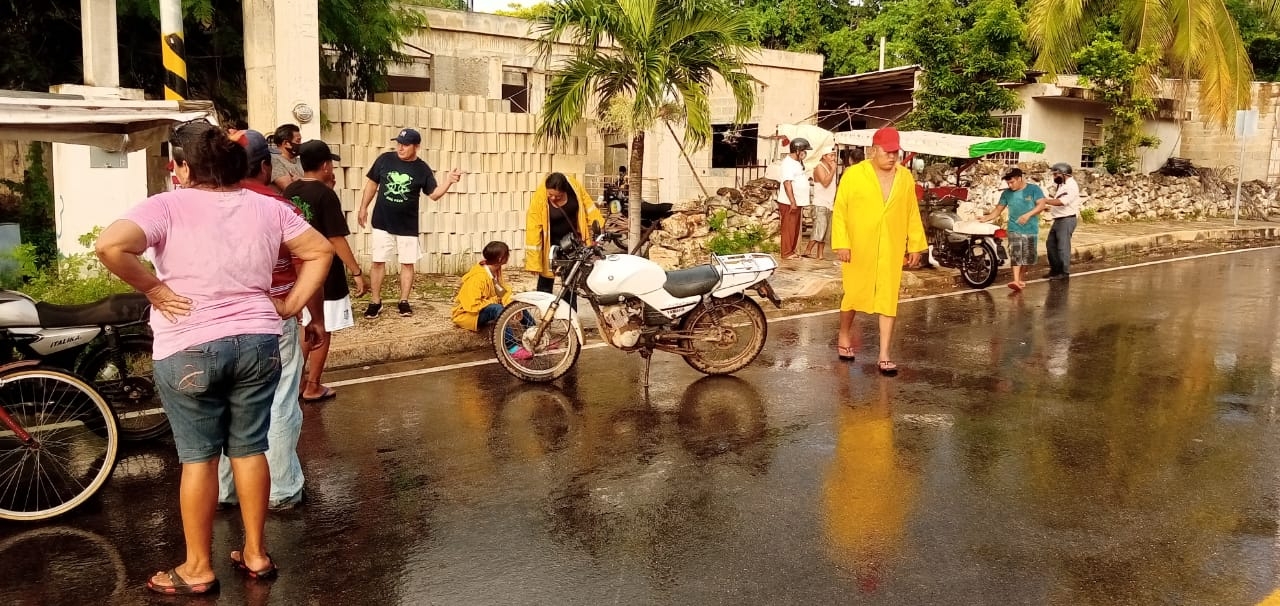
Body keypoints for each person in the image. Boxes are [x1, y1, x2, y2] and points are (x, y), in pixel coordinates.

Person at [95, 121, 332, 595]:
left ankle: (198, 568)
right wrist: (287, 305)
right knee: (249, 447)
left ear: (180, 166)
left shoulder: (164, 205)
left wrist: (156, 290)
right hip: (259, 341)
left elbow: (110, 245)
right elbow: (320, 250)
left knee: (199, 458)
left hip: (189, 344)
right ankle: (257, 553)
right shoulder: (267, 208)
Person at [215, 129, 319, 512]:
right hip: (273, 316)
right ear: (264, 165)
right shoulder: (278, 207)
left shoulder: (200, 205)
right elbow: (310, 260)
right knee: (277, 402)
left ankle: (226, 490)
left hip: (218, 323)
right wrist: (309, 315)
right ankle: (281, 489)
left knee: (227, 404)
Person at [831, 126, 926, 376]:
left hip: (891, 246)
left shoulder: (904, 177)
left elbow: (911, 212)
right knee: (853, 294)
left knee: (888, 298)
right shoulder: (854, 175)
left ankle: (884, 354)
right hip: (858, 246)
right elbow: (840, 210)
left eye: (895, 152)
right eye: (887, 151)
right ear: (874, 150)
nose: (892, 156)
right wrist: (842, 242)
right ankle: (843, 335)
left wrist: (915, 244)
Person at [285, 140, 367, 402]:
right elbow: (336, 238)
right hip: (325, 272)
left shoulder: (290, 191)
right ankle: (313, 385)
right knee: (324, 327)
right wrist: (355, 271)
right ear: (325, 165)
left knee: (306, 325)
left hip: (297, 269)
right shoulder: (326, 195)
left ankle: (295, 383)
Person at [357, 128, 462, 318]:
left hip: (407, 225)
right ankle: (375, 301)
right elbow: (372, 184)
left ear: (416, 147)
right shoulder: (385, 159)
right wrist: (363, 207)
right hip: (382, 221)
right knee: (378, 261)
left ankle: (404, 301)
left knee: (407, 263)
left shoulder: (422, 169)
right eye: (398, 143)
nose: (400, 148)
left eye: (405, 145)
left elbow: (434, 195)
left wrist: (449, 181)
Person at [524, 172, 603, 303]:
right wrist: (533, 263)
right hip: (550, 245)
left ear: (565, 190)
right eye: (551, 195)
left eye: (558, 196)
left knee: (570, 284)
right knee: (545, 283)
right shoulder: (540, 196)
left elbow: (589, 208)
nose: (554, 198)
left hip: (572, 245)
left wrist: (600, 227)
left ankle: (571, 318)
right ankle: (544, 315)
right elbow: (533, 228)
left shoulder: (574, 187)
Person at [979, 167, 1048, 292]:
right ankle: (1015, 280)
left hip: (1031, 229)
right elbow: (998, 210)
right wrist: (986, 218)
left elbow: (1041, 205)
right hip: (1014, 228)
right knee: (1016, 254)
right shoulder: (1006, 194)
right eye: (1008, 183)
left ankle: (1020, 279)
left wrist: (1028, 215)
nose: (1010, 185)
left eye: (1012, 182)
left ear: (1020, 178)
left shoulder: (1034, 190)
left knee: (1027, 258)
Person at [451, 241, 515, 332]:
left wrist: (510, 302)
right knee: (497, 308)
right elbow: (472, 306)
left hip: (485, 307)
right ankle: (511, 345)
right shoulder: (477, 277)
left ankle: (535, 337)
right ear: (500, 259)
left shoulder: (496, 270)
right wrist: (495, 300)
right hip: (468, 314)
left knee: (516, 304)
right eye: (507, 254)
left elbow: (501, 291)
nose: (509, 256)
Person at [1044, 162, 1081, 280]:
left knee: (1062, 247)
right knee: (1051, 245)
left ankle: (1064, 272)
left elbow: (1062, 201)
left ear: (1063, 174)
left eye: (1056, 175)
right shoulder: (1063, 184)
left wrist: (1044, 201)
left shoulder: (1071, 186)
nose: (1054, 177)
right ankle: (1055, 270)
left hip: (1066, 219)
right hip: (1059, 219)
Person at [776, 137, 811, 259]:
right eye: (804, 150)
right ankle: (786, 252)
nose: (805, 153)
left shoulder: (797, 163)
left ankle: (791, 250)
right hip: (789, 202)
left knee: (795, 228)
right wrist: (792, 202)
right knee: (789, 227)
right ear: (797, 150)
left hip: (797, 201)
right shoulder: (788, 163)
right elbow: (787, 183)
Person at [804, 147, 837, 259]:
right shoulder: (819, 167)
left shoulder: (830, 167)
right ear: (824, 156)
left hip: (829, 203)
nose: (833, 158)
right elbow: (825, 183)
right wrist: (833, 170)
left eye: (834, 155)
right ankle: (808, 250)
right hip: (820, 203)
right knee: (820, 228)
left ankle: (820, 254)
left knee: (825, 231)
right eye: (831, 155)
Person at [270, 124, 303, 193]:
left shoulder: (299, 161)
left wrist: (300, 180)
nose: (300, 144)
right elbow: (290, 189)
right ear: (286, 143)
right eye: (298, 141)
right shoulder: (275, 161)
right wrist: (304, 181)